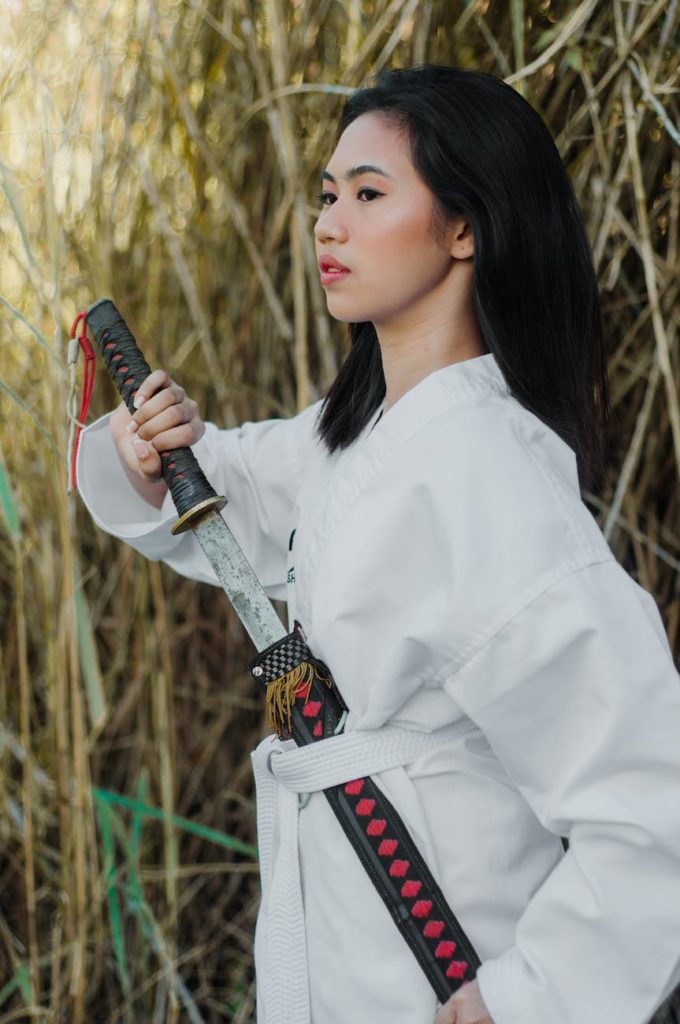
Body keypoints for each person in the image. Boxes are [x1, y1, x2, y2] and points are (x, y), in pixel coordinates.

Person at [77, 66, 680, 1024]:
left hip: (443, 960)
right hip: (339, 943)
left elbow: (651, 796)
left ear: (465, 228)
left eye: (368, 194)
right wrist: (145, 453)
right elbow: (221, 496)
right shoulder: (351, 433)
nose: (328, 224)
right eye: (326, 196)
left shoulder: (493, 481)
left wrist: (528, 1001)